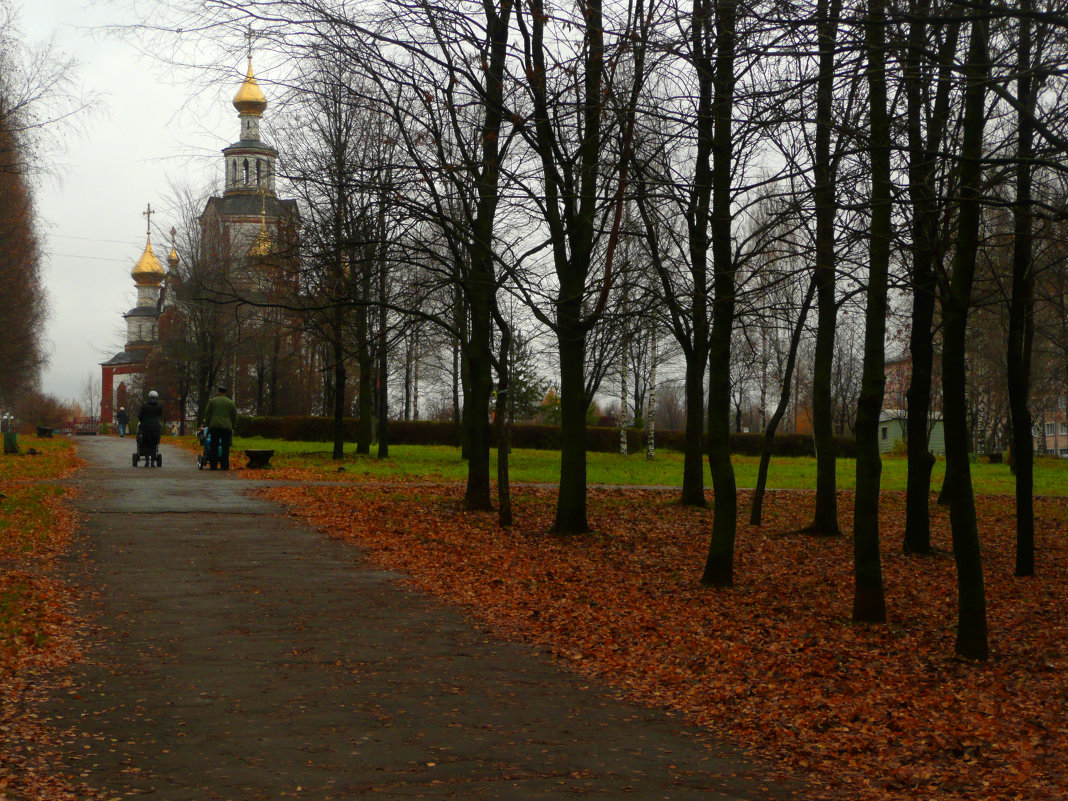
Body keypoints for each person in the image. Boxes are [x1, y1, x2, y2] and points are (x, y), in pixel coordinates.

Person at [204, 385, 238, 470]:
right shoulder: (231, 403)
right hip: (227, 427)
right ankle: (225, 465)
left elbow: (207, 413)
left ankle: (213, 465)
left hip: (214, 426)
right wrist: (233, 425)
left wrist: (207, 424)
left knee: (214, 445)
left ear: (218, 392)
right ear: (225, 393)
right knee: (225, 446)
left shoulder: (212, 402)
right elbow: (234, 415)